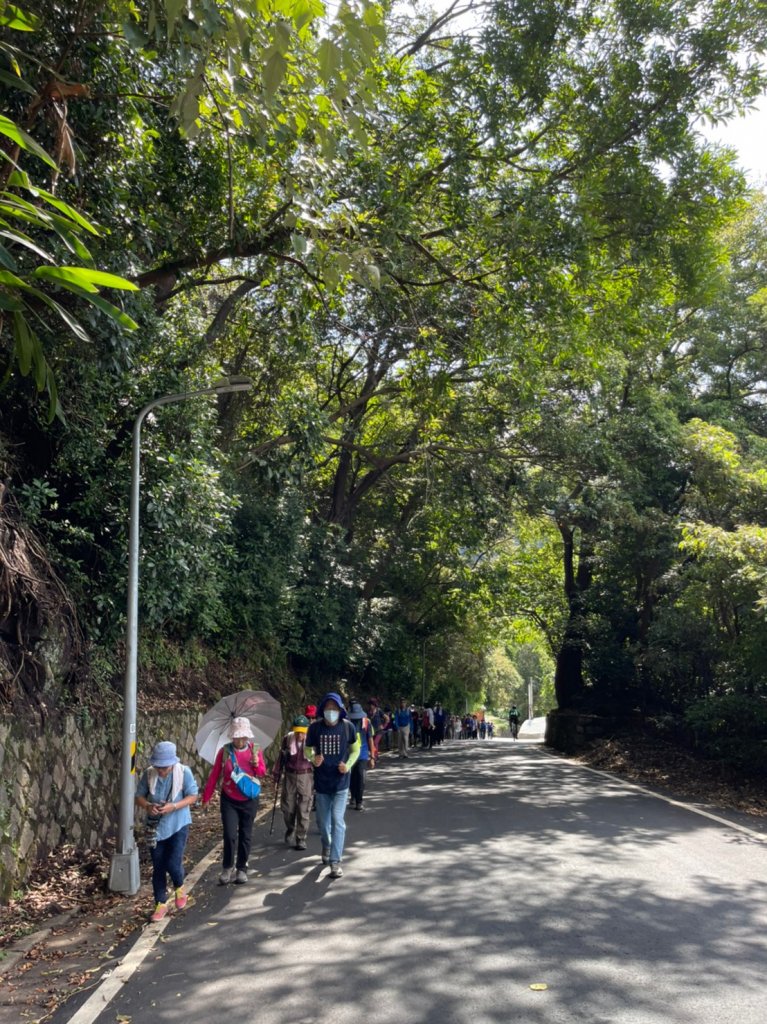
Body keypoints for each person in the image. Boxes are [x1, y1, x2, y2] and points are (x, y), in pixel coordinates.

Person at [135, 740, 199, 922]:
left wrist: (174, 806)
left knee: (173, 861)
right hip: (155, 827)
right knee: (158, 865)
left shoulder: (183, 772)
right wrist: (148, 806)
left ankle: (179, 887)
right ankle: (160, 903)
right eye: (159, 767)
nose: (162, 771)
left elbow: (193, 795)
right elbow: (138, 796)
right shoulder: (149, 775)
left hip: (178, 823)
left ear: (172, 763)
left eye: (165, 767)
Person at [201, 717, 267, 885]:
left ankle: (242, 868)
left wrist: (256, 763)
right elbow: (215, 775)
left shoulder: (254, 750)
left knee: (245, 835)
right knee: (230, 834)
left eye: (243, 737)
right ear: (232, 737)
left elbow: (261, 773)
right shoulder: (224, 752)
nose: (240, 740)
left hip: (249, 799)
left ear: (248, 737)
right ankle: (227, 867)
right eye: (237, 737)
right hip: (229, 798)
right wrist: (206, 797)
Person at [305, 692, 361, 878]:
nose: (331, 712)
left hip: (340, 784)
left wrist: (348, 765)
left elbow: (355, 749)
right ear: (323, 710)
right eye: (328, 708)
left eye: (334, 708)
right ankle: (327, 845)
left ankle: (335, 861)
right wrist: (314, 758)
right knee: (322, 823)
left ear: (340, 710)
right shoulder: (314, 729)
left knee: (338, 821)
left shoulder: (348, 727)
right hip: (321, 784)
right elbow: (307, 750)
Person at [273, 715, 314, 849]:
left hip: (306, 776)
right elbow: (281, 758)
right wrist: (276, 776)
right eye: (298, 732)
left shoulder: (312, 739)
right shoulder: (287, 739)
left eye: (303, 732)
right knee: (287, 808)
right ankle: (290, 828)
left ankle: (301, 838)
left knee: (304, 809)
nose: (300, 735)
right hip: (290, 776)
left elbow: (318, 759)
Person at [347, 702, 375, 809]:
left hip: (362, 754)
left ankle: (359, 801)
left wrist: (372, 757)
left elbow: (370, 739)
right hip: (350, 754)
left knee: (361, 777)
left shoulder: (366, 723)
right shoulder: (347, 722)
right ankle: (353, 795)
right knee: (351, 778)